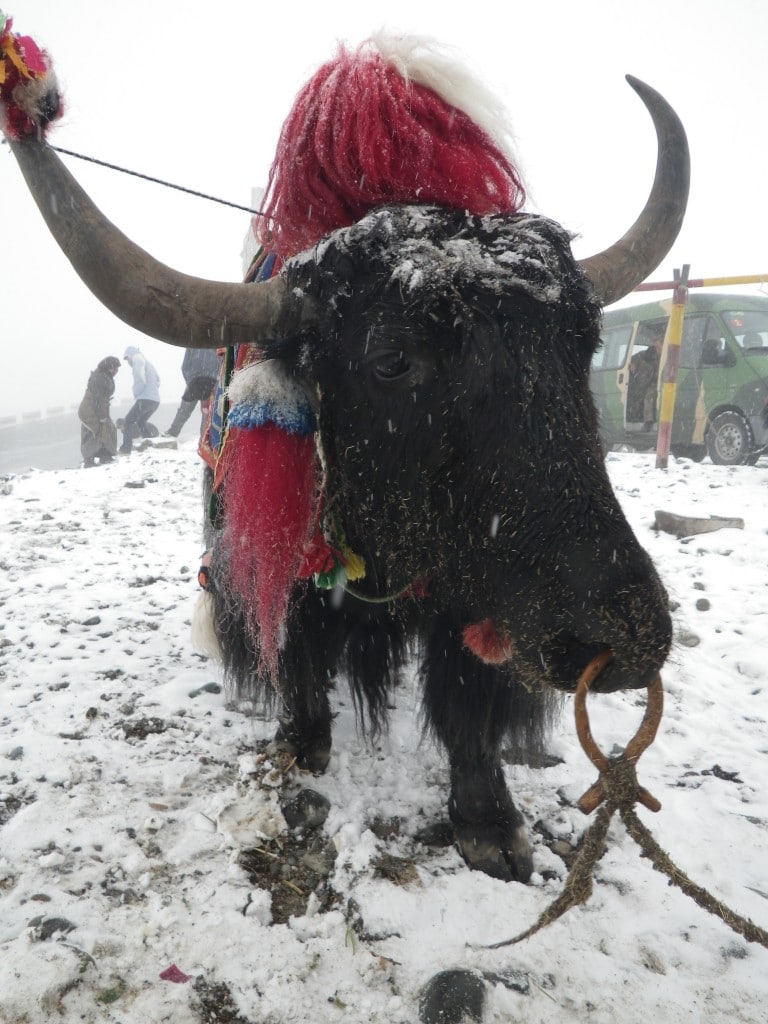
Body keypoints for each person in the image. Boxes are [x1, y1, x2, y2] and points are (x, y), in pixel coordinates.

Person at [165, 347, 220, 438]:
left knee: (201, 413)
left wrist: (191, 379)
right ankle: (174, 433)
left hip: (208, 380)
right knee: (201, 413)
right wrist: (190, 380)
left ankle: (174, 433)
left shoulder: (197, 342)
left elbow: (185, 365)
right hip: (203, 380)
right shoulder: (197, 342)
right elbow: (185, 366)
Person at [78, 355, 120, 467]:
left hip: (98, 409)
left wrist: (103, 415)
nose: (116, 371)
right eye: (115, 368)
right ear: (109, 367)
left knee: (107, 429)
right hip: (90, 410)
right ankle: (89, 460)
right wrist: (101, 416)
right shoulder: (99, 378)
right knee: (92, 432)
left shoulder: (105, 376)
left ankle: (105, 456)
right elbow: (98, 398)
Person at [119, 345, 160, 453]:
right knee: (141, 421)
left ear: (131, 355)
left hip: (145, 399)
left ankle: (126, 449)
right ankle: (148, 444)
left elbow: (140, 378)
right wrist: (153, 392)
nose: (128, 362)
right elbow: (158, 380)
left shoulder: (138, 360)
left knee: (128, 421)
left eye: (127, 359)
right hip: (155, 401)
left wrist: (136, 393)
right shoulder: (148, 363)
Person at [628, 331, 664, 429]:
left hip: (662, 383)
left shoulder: (669, 355)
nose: (658, 347)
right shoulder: (646, 355)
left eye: (660, 343)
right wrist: (632, 365)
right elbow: (631, 360)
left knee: (650, 395)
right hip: (648, 383)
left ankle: (649, 421)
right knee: (641, 395)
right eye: (656, 343)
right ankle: (646, 421)